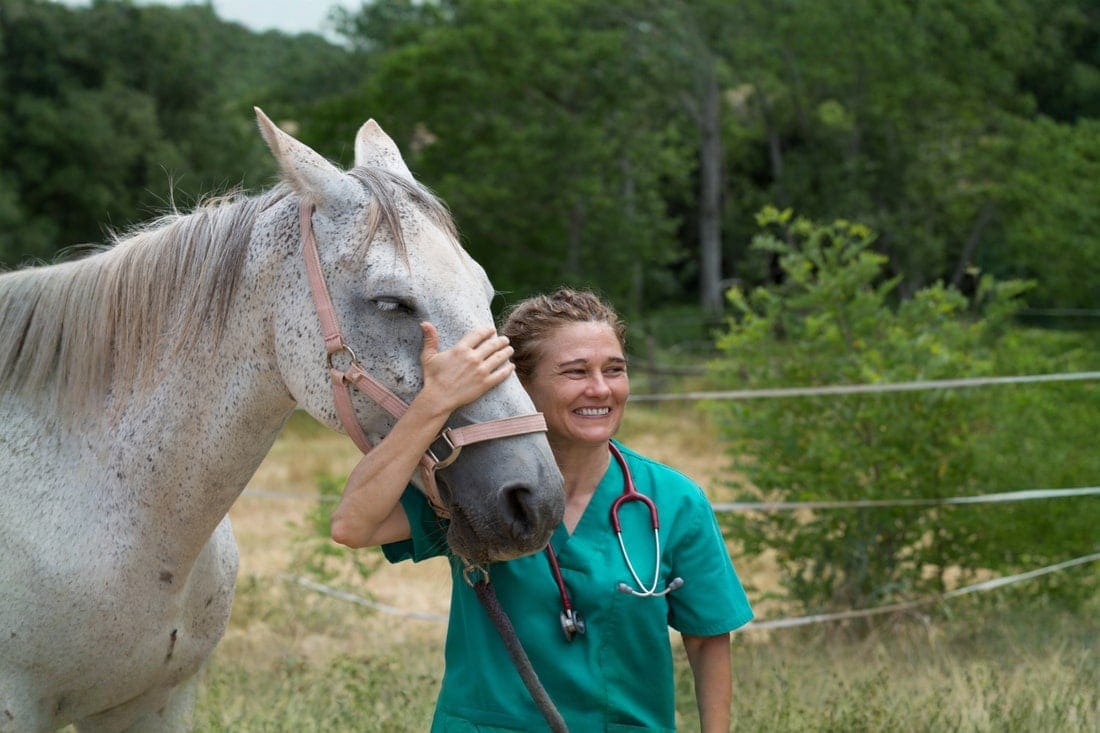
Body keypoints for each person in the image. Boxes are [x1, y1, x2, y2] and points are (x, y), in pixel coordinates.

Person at [331, 288, 753, 732]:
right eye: (575, 372)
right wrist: (434, 404)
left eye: (615, 370)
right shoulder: (471, 485)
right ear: (521, 384)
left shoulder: (673, 500)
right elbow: (352, 525)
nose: (601, 388)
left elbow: (707, 640)